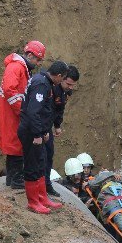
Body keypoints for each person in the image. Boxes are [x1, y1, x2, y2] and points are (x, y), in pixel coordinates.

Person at [0, 40, 46, 190]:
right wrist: (22, 110)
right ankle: (16, 180)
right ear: (30, 55)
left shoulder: (18, 67)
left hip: (11, 113)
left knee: (14, 143)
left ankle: (12, 178)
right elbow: (11, 90)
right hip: (12, 114)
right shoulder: (16, 67)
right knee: (16, 144)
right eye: (38, 59)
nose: (38, 63)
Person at [17, 61, 69, 214]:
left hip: (38, 130)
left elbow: (44, 112)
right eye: (63, 78)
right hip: (30, 132)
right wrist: (38, 134)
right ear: (58, 76)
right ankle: (33, 202)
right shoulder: (42, 84)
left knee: (41, 163)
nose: (62, 82)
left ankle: (42, 197)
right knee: (32, 165)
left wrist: (45, 130)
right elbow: (34, 112)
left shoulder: (44, 81)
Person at [45, 66, 80, 197]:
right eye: (69, 84)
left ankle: (46, 184)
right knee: (41, 155)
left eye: (73, 85)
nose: (70, 87)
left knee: (49, 154)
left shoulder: (66, 92)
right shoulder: (51, 89)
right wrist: (43, 129)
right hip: (41, 125)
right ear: (61, 78)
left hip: (49, 124)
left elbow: (60, 109)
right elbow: (45, 110)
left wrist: (57, 125)